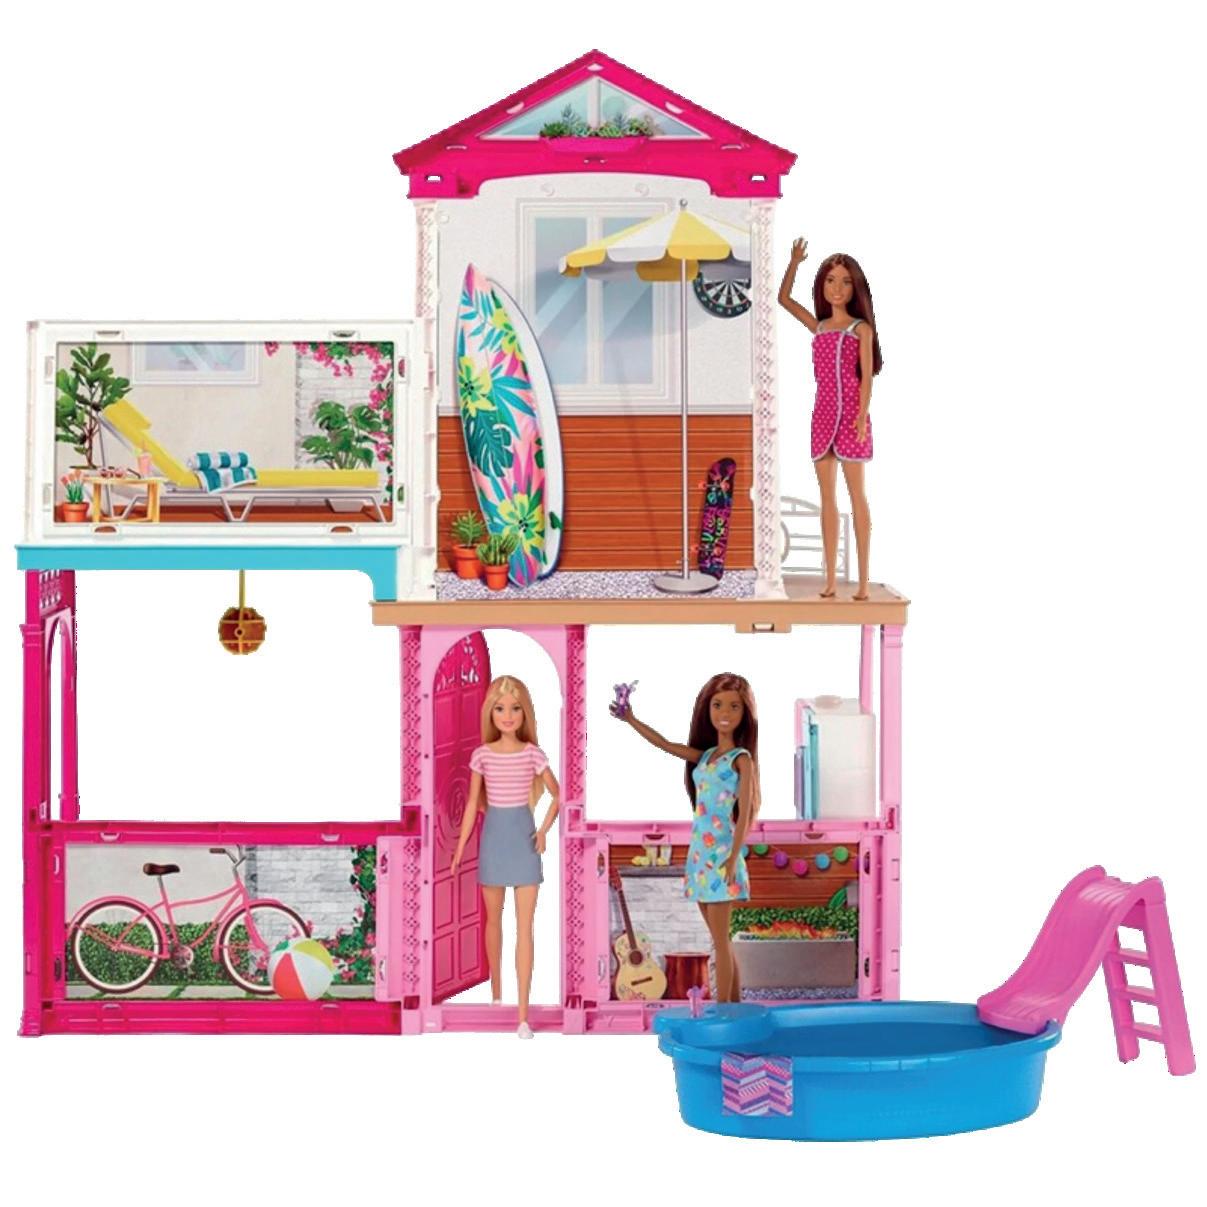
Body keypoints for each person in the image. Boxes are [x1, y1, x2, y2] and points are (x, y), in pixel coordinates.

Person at [614, 674, 760, 1003]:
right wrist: (631, 719)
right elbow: (665, 744)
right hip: (700, 856)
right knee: (720, 941)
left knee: (720, 943)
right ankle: (734, 1006)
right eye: (718, 705)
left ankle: (724, 1010)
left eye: (734, 707)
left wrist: (734, 858)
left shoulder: (741, 760)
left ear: (744, 713)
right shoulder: (705, 756)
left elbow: (744, 815)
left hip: (722, 856)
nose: (725, 713)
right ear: (707, 709)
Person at [450, 675, 559, 1039]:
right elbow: (471, 805)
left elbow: (558, 794)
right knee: (493, 922)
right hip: (494, 840)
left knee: (525, 928)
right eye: (500, 709)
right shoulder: (482, 755)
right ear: (490, 713)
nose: (508, 716)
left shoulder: (532, 753)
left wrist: (543, 831)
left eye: (515, 708)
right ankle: (497, 994)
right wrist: (460, 848)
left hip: (524, 842)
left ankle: (523, 1015)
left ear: (524, 712)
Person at [778, 238, 883, 600]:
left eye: (845, 281)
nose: (837, 288)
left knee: (857, 495)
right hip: (822, 415)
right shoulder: (820, 327)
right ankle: (831, 580)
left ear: (855, 287)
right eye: (830, 280)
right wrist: (794, 262)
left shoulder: (860, 330)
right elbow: (784, 300)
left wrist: (862, 415)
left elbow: (866, 377)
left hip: (852, 415)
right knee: (827, 497)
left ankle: (864, 581)